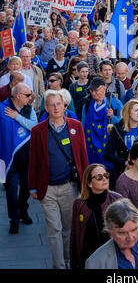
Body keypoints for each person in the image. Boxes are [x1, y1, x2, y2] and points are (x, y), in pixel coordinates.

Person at [28, 90, 89, 269]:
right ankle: (59, 266)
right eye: (51, 105)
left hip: (70, 187)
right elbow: (34, 160)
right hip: (47, 189)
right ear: (46, 108)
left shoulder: (76, 126)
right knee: (54, 229)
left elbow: (83, 156)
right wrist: (32, 187)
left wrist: (87, 184)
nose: (55, 108)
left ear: (64, 106)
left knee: (68, 229)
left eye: (58, 104)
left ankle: (69, 260)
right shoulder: (38, 130)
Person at [85, 198, 138, 269]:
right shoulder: (95, 262)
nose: (130, 237)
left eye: (134, 230)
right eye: (122, 233)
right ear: (109, 231)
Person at [0, 83, 37, 234]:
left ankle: (23, 209)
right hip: (9, 158)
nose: (30, 97)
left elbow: (34, 127)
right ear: (18, 95)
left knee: (26, 186)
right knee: (11, 189)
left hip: (27, 155)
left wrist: (18, 117)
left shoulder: (29, 109)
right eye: (28, 95)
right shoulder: (2, 108)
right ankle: (14, 219)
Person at [70, 163, 122, 268]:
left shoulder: (117, 200)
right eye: (99, 177)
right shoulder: (79, 204)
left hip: (111, 258)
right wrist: (74, 263)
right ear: (89, 183)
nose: (104, 179)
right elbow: (75, 235)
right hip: (88, 257)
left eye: (106, 175)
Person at [82, 77, 122, 169]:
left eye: (96, 90)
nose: (93, 93)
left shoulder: (115, 103)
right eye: (91, 90)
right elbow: (83, 123)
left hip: (109, 144)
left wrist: (113, 117)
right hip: (91, 144)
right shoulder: (87, 104)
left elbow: (122, 123)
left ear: (104, 88)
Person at [105, 99, 138, 188]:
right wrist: (124, 162)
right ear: (128, 113)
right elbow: (108, 154)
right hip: (122, 172)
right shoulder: (117, 130)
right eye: (136, 110)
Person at [19, 47, 45, 113]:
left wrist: (40, 102)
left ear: (31, 57)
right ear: (19, 57)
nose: (25, 59)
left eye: (27, 56)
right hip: (20, 103)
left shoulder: (37, 70)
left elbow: (41, 88)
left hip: (34, 104)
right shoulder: (17, 71)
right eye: (23, 57)